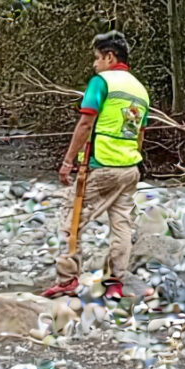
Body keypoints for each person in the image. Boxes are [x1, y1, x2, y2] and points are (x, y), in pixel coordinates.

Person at [41, 31, 149, 301]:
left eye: (97, 58)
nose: (94, 64)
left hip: (102, 164)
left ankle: (67, 279)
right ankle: (115, 283)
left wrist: (68, 161)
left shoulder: (101, 82)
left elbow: (86, 123)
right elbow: (140, 134)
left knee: (72, 217)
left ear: (110, 57)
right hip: (130, 167)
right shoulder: (140, 89)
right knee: (122, 225)